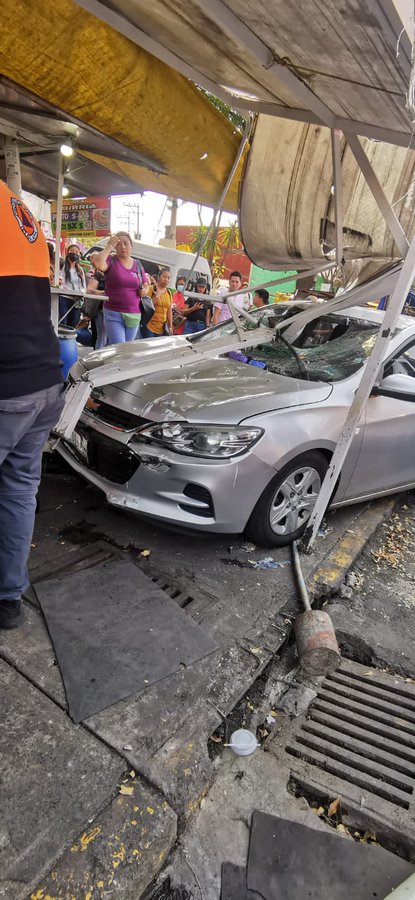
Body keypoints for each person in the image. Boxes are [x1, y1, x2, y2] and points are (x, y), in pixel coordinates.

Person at [0, 180, 64, 630]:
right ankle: (8, 600)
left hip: (7, 390)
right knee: (19, 493)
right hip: (43, 382)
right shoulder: (18, 210)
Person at [92, 232, 147, 344]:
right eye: (118, 244)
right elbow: (97, 263)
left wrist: (145, 290)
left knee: (127, 348)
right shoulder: (111, 260)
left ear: (131, 246)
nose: (122, 247)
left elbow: (145, 284)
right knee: (119, 346)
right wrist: (109, 246)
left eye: (126, 243)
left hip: (134, 313)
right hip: (113, 312)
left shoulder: (138, 264)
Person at [59, 243, 86, 327]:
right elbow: (60, 283)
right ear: (68, 253)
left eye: (77, 252)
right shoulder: (62, 267)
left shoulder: (80, 270)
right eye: (72, 251)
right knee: (63, 322)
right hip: (64, 298)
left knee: (73, 323)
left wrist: (80, 293)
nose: (75, 253)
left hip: (76, 300)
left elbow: (83, 286)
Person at [142, 267, 173, 337]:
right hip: (149, 326)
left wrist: (170, 326)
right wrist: (156, 297)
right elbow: (146, 308)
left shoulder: (169, 293)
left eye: (168, 278)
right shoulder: (151, 288)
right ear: (159, 277)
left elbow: (169, 311)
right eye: (164, 277)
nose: (166, 279)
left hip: (162, 328)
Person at [86, 259, 107, 349]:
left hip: (112, 310)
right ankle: (97, 358)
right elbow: (89, 290)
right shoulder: (98, 275)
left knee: (106, 338)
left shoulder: (116, 276)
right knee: (101, 337)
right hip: (100, 309)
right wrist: (104, 293)